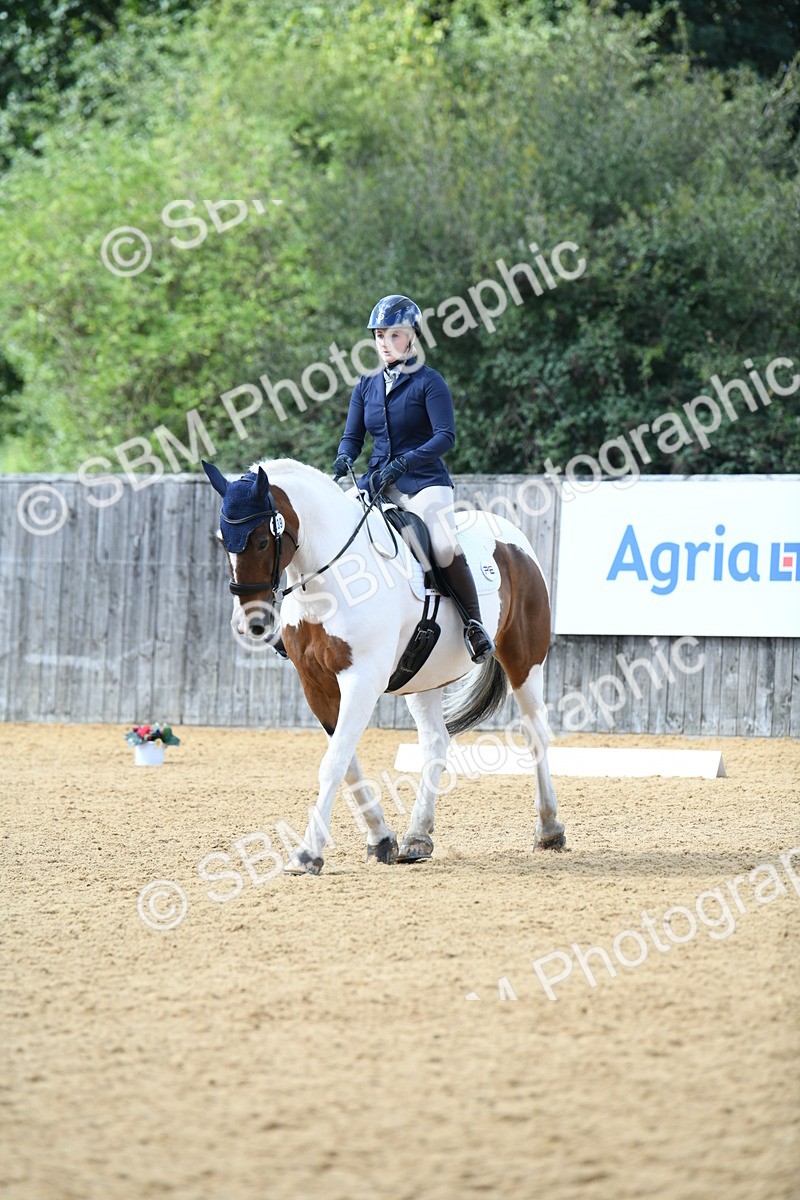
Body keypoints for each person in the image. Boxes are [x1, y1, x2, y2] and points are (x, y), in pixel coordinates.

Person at [333, 294, 495, 663]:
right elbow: (353, 436)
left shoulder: (429, 382)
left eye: (395, 335)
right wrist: (344, 456)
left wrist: (406, 461)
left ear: (412, 338)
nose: (385, 344)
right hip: (377, 479)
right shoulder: (366, 384)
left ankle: (473, 625)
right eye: (379, 336)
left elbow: (445, 436)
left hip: (423, 480)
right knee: (334, 528)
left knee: (441, 545)